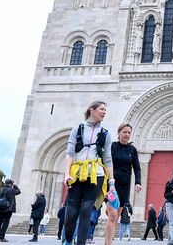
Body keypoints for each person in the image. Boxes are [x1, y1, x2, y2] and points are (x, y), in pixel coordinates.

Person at [62, 101, 115, 245]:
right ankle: (67, 240)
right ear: (92, 110)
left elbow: (108, 159)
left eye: (105, 110)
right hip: (77, 174)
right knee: (71, 213)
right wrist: (67, 174)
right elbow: (69, 153)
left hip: (96, 174)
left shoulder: (106, 134)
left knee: (86, 210)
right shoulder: (77, 129)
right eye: (101, 109)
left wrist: (111, 183)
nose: (104, 112)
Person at [108, 123, 142, 242]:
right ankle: (109, 241)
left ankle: (109, 239)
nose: (127, 134)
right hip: (112, 184)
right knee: (112, 214)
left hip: (125, 185)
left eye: (129, 132)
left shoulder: (132, 150)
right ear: (119, 133)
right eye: (124, 132)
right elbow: (107, 163)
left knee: (116, 215)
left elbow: (137, 168)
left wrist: (138, 182)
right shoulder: (112, 146)